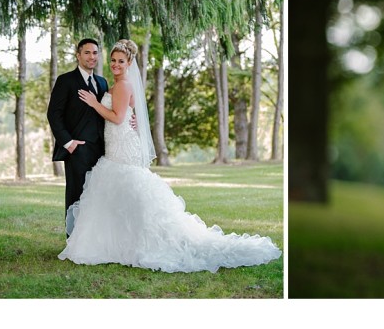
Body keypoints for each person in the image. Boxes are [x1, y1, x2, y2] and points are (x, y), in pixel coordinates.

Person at [58, 39, 282, 273]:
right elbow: (126, 112)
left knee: (127, 187)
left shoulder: (123, 85)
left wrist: (95, 103)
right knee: (118, 191)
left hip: (122, 147)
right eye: (113, 60)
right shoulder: (111, 85)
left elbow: (117, 117)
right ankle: (116, 242)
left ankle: (140, 242)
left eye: (121, 61)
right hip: (115, 144)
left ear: (129, 62)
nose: (115, 64)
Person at [48, 38, 108, 236]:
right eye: (87, 53)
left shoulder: (102, 82)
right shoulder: (66, 81)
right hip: (77, 149)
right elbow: (54, 114)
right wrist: (69, 143)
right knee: (76, 194)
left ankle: (93, 238)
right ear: (78, 55)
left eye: (95, 53)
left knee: (98, 194)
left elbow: (109, 111)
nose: (92, 57)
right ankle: (74, 239)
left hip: (102, 149)